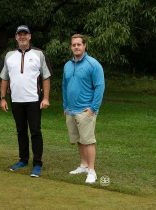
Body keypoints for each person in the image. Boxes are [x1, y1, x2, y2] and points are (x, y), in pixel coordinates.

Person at [0, 25, 51, 178]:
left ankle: (37, 163)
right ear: (16, 37)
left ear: (30, 36)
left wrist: (46, 98)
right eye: (19, 34)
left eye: (25, 34)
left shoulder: (39, 54)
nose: (22, 37)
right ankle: (23, 159)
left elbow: (46, 77)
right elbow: (4, 78)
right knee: (21, 131)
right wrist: (2, 98)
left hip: (34, 100)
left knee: (35, 131)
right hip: (16, 100)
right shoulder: (9, 55)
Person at [62, 34, 105, 183]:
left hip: (86, 110)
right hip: (71, 110)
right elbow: (65, 86)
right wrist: (65, 106)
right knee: (79, 139)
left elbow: (100, 86)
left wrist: (93, 108)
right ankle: (83, 165)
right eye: (73, 45)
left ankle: (92, 171)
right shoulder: (68, 65)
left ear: (85, 46)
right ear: (71, 47)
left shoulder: (93, 64)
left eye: (79, 44)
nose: (76, 47)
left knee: (88, 141)